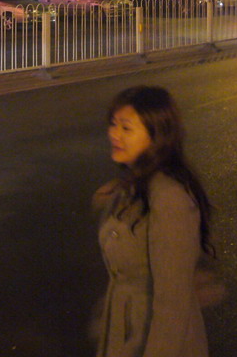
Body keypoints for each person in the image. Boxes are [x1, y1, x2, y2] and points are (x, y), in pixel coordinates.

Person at [93, 86, 215, 357]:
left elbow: (173, 303)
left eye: (126, 128)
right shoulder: (135, 185)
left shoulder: (169, 198)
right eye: (113, 124)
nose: (114, 134)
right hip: (127, 330)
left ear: (156, 136)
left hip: (155, 339)